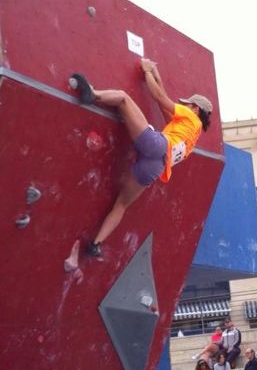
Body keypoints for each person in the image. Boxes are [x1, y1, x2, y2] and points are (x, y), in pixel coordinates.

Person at [70, 59, 212, 257]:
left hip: (156, 145)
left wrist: (146, 71)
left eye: (186, 104)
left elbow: (160, 97)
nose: (182, 105)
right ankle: (96, 244)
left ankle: (93, 94)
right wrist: (156, 75)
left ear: (195, 109)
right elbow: (163, 105)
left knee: (123, 98)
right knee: (122, 204)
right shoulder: (192, 132)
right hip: (156, 167)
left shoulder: (190, 116)